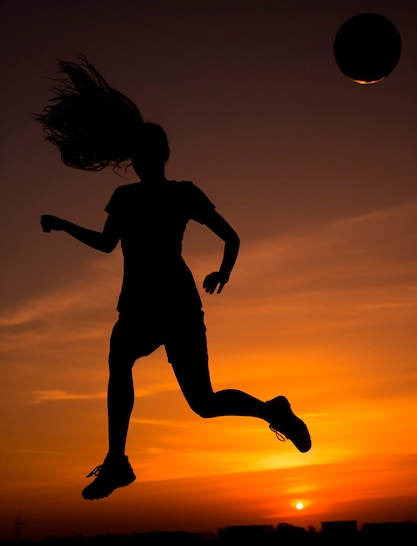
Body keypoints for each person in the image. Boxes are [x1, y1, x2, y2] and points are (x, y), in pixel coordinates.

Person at [37, 56, 311, 500]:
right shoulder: (127, 197)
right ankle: (117, 462)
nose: (141, 161)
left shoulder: (179, 193)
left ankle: (272, 412)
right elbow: (109, 245)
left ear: (157, 157)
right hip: (148, 305)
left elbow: (231, 237)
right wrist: (65, 225)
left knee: (202, 403)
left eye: (146, 155)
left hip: (174, 305)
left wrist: (224, 270)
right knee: (123, 363)